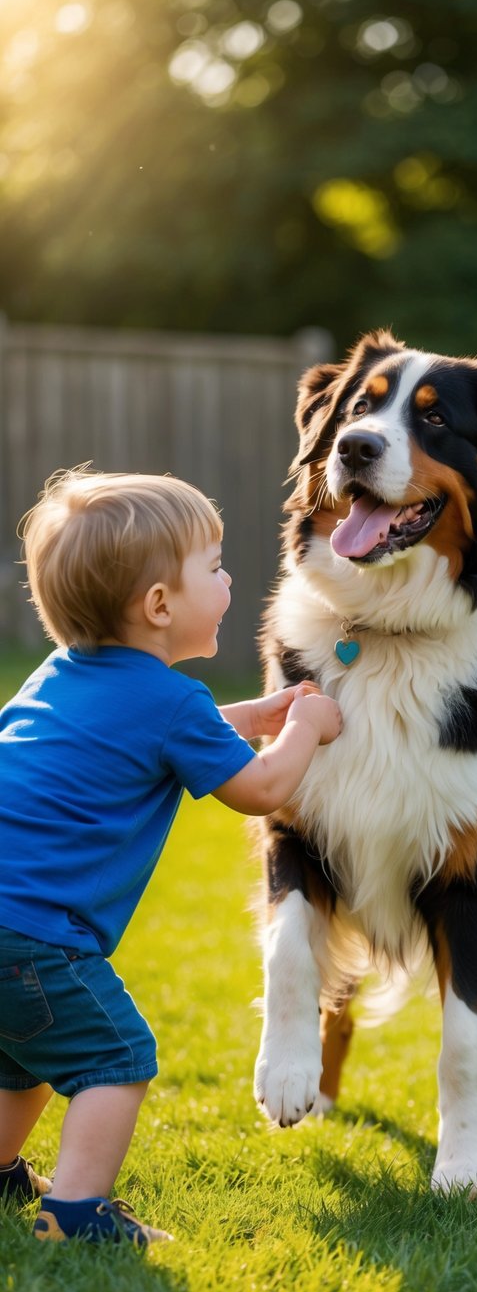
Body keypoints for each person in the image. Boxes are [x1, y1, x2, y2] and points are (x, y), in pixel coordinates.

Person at [0, 467, 342, 1247]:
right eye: (215, 569)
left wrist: (257, 713)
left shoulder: (54, 678)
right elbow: (259, 789)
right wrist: (306, 729)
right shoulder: (171, 702)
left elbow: (155, 736)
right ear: (160, 606)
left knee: (21, 1054)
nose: (229, 581)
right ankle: (78, 1214)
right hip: (37, 937)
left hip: (3, 922)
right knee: (117, 1055)